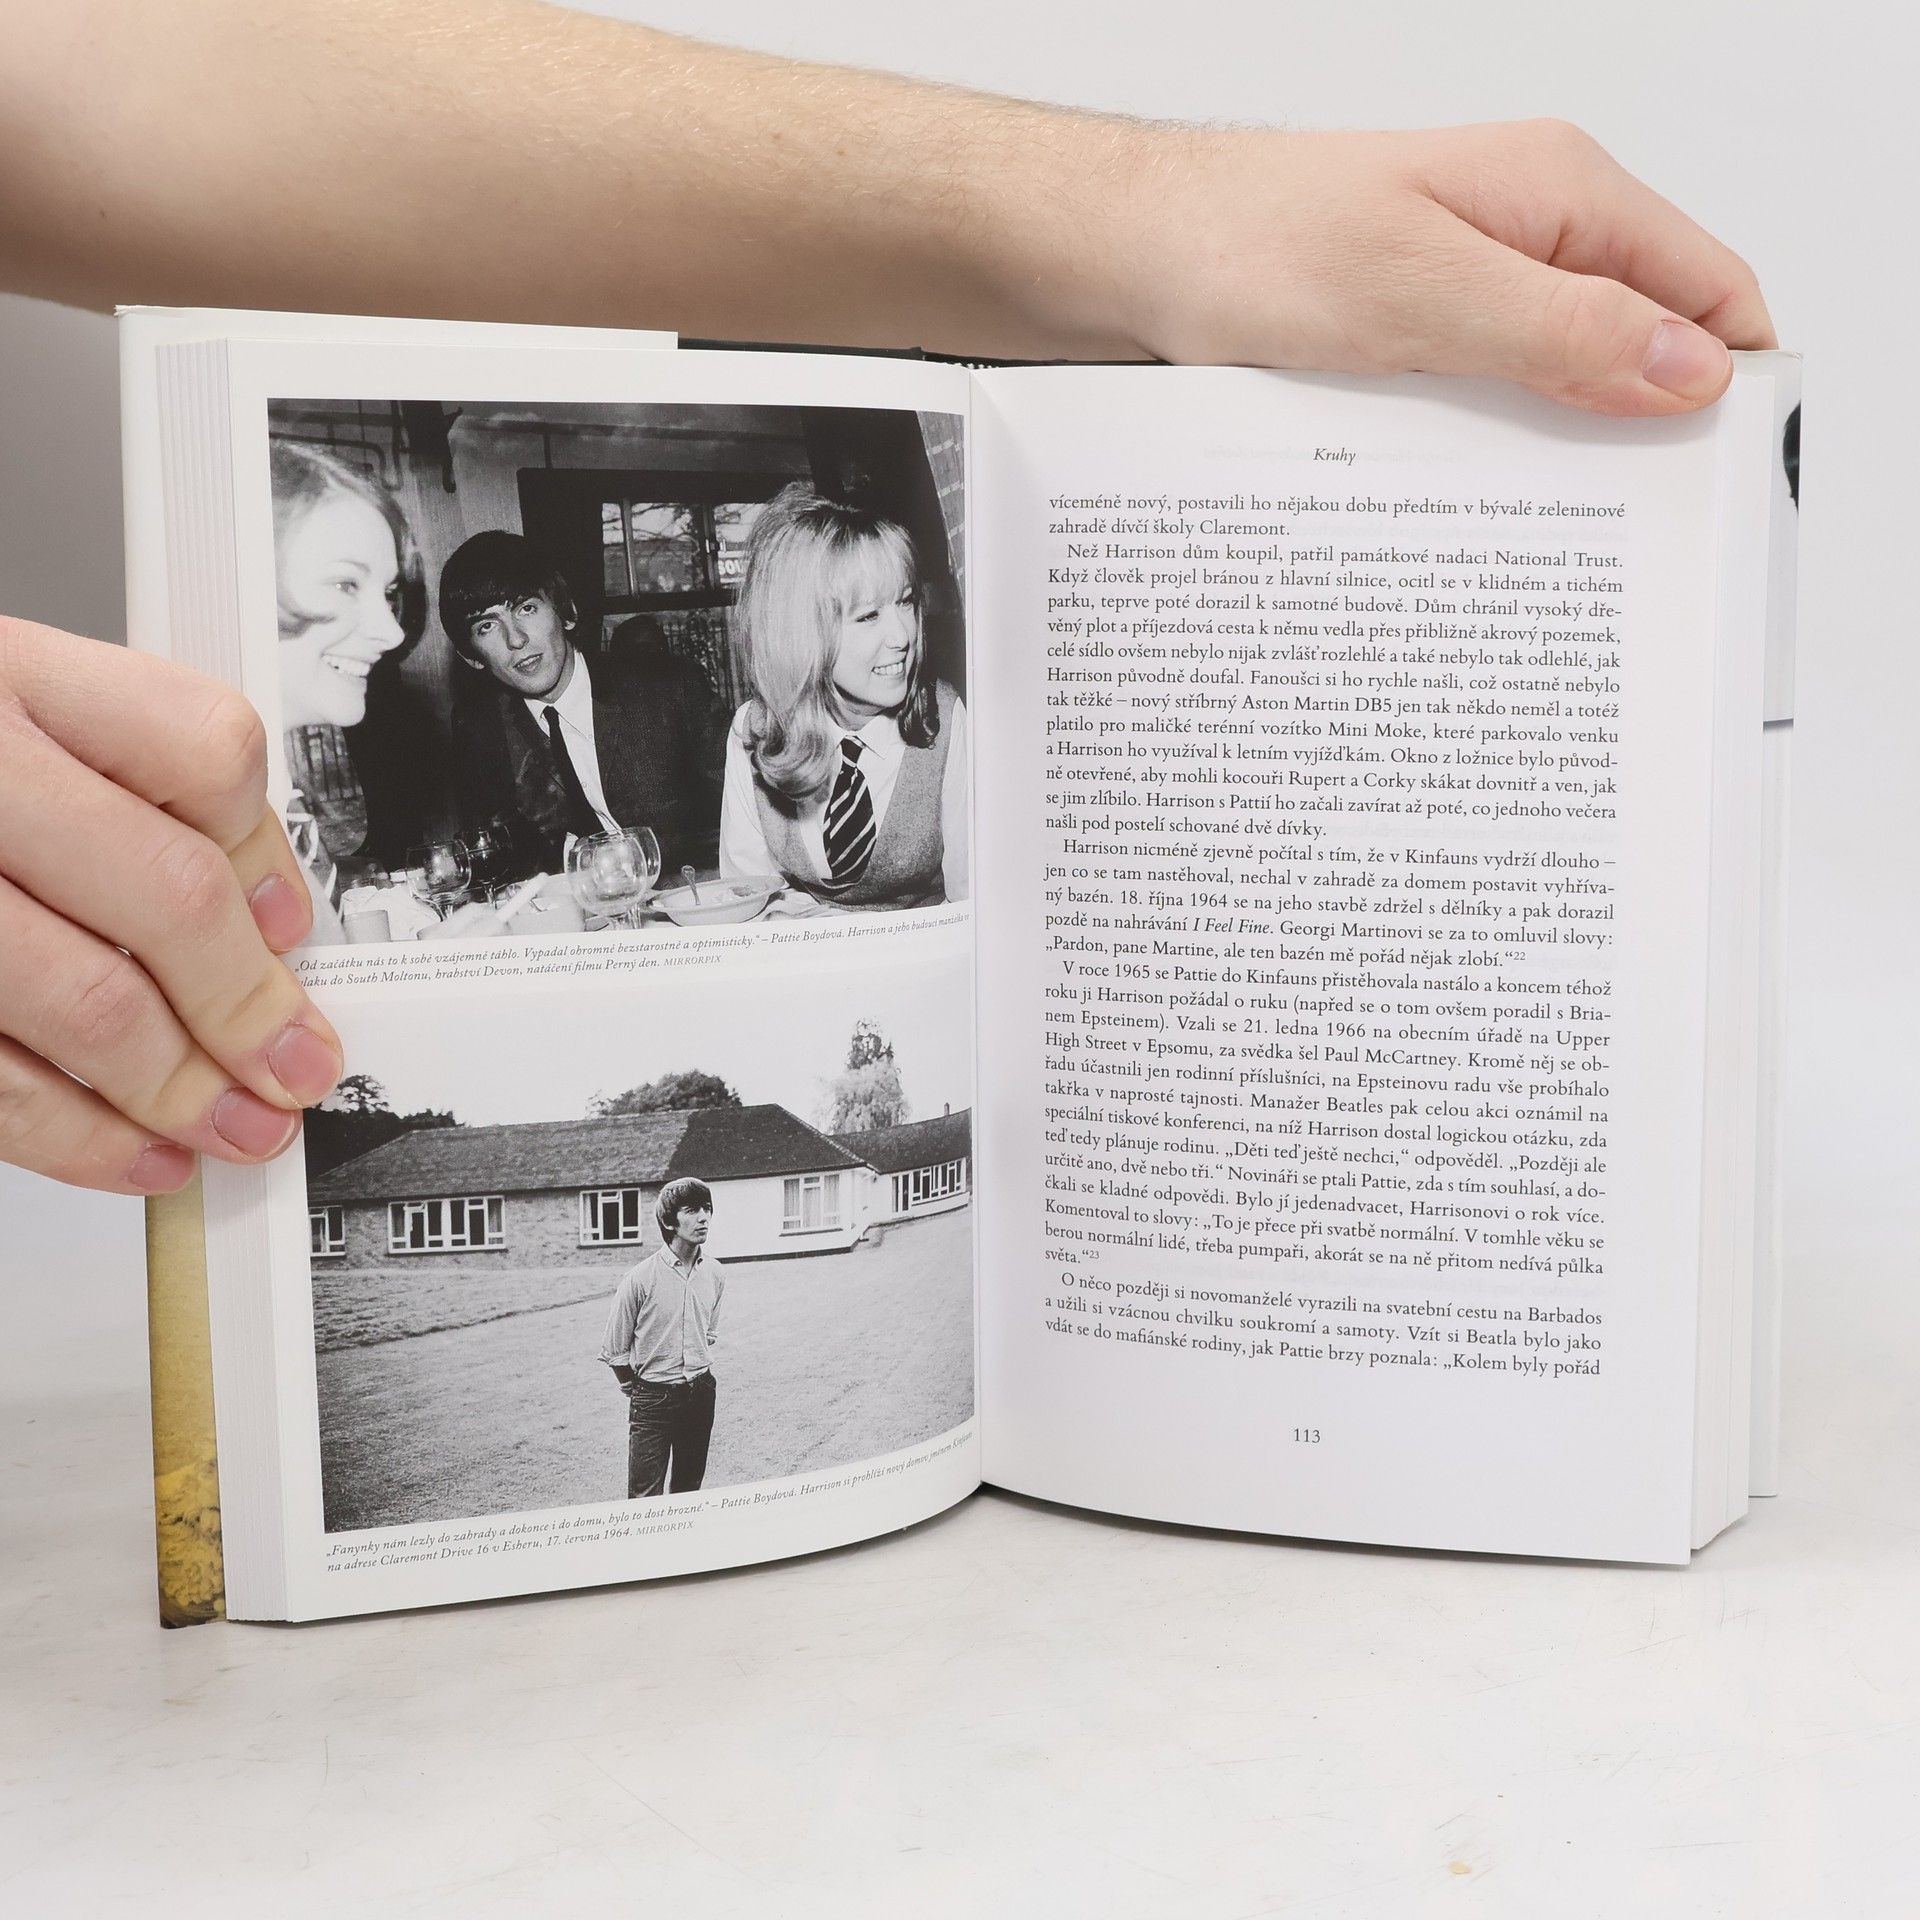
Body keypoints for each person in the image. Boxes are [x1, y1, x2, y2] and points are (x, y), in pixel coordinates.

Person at [0, 0, 1776, 1195]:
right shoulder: (723, 740)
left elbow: (118, 85)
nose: (899, 637)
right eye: (859, 614)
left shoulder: (912, 722)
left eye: (904, 605)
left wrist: (1160, 209)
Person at [720, 484, 967, 909]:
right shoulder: (755, 728)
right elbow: (748, 898)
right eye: (869, 615)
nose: (902, 636)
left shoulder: (944, 715)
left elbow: (971, 900)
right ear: (804, 633)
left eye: (905, 602)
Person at [440, 531, 725, 874]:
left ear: (567, 612)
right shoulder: (480, 729)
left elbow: (741, 818)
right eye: (487, 626)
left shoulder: (670, 690)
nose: (515, 639)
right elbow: (496, 860)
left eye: (526, 608)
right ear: (472, 657)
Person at [271, 442, 424, 939]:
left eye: (388, 593)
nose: (394, 634)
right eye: (345, 585)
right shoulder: (187, 818)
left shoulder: (270, 796)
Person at [598, 1178, 725, 1499]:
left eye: (707, 1208)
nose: (704, 1218)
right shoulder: (640, 1278)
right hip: (653, 1399)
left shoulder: (715, 1273)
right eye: (692, 1210)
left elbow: (707, 1334)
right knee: (645, 1499)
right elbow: (614, 1350)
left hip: (700, 1393)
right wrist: (639, 1389)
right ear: (670, 1222)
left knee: (688, 1491)